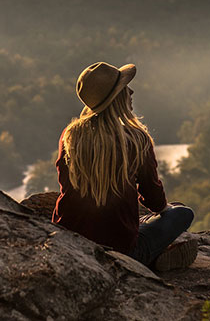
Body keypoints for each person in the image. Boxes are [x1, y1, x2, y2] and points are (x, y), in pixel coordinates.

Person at [52, 61, 196, 271]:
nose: (131, 91)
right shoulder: (136, 139)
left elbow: (65, 184)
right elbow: (153, 196)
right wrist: (165, 209)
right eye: (124, 88)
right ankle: (153, 259)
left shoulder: (71, 136)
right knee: (182, 213)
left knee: (149, 218)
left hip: (70, 242)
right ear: (117, 98)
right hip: (121, 252)